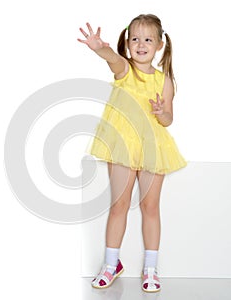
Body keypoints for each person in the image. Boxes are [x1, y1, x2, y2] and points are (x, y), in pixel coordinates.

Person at [78, 14, 187, 293]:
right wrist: (99, 47)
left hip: (153, 149)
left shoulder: (165, 81)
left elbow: (168, 120)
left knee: (151, 207)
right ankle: (111, 263)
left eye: (148, 39)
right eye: (135, 39)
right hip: (123, 147)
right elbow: (111, 58)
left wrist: (163, 113)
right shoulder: (124, 69)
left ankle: (151, 268)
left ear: (160, 44)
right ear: (127, 43)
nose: (141, 44)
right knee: (119, 205)